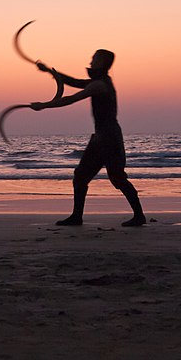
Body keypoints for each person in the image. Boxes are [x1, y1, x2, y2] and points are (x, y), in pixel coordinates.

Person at [31, 49, 146, 227]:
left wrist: (44, 105)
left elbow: (71, 98)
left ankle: (139, 216)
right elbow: (74, 82)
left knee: (117, 178)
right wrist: (49, 71)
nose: (90, 61)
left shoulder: (100, 84)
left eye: (94, 59)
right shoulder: (98, 82)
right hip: (101, 138)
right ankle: (76, 217)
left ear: (101, 62)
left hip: (109, 138)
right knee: (81, 177)